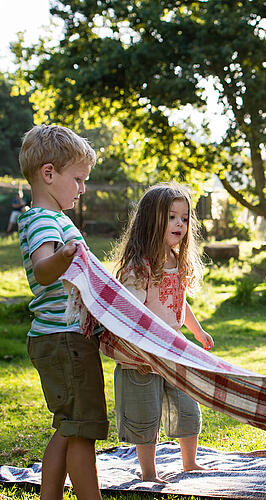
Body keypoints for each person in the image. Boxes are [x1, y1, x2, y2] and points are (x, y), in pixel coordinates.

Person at [17, 124, 106, 500]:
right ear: (49, 173)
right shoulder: (42, 220)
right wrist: (65, 255)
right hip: (64, 339)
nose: (82, 188)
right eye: (79, 179)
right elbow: (42, 269)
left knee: (69, 426)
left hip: (62, 338)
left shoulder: (56, 221)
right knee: (82, 430)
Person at [111, 181, 214, 483]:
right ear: (150, 220)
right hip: (143, 353)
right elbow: (131, 313)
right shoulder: (139, 265)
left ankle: (190, 462)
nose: (179, 223)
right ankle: (149, 472)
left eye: (184, 218)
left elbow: (179, 301)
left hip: (173, 348)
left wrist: (197, 331)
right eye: (171, 216)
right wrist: (139, 349)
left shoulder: (174, 258)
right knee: (145, 413)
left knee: (187, 407)